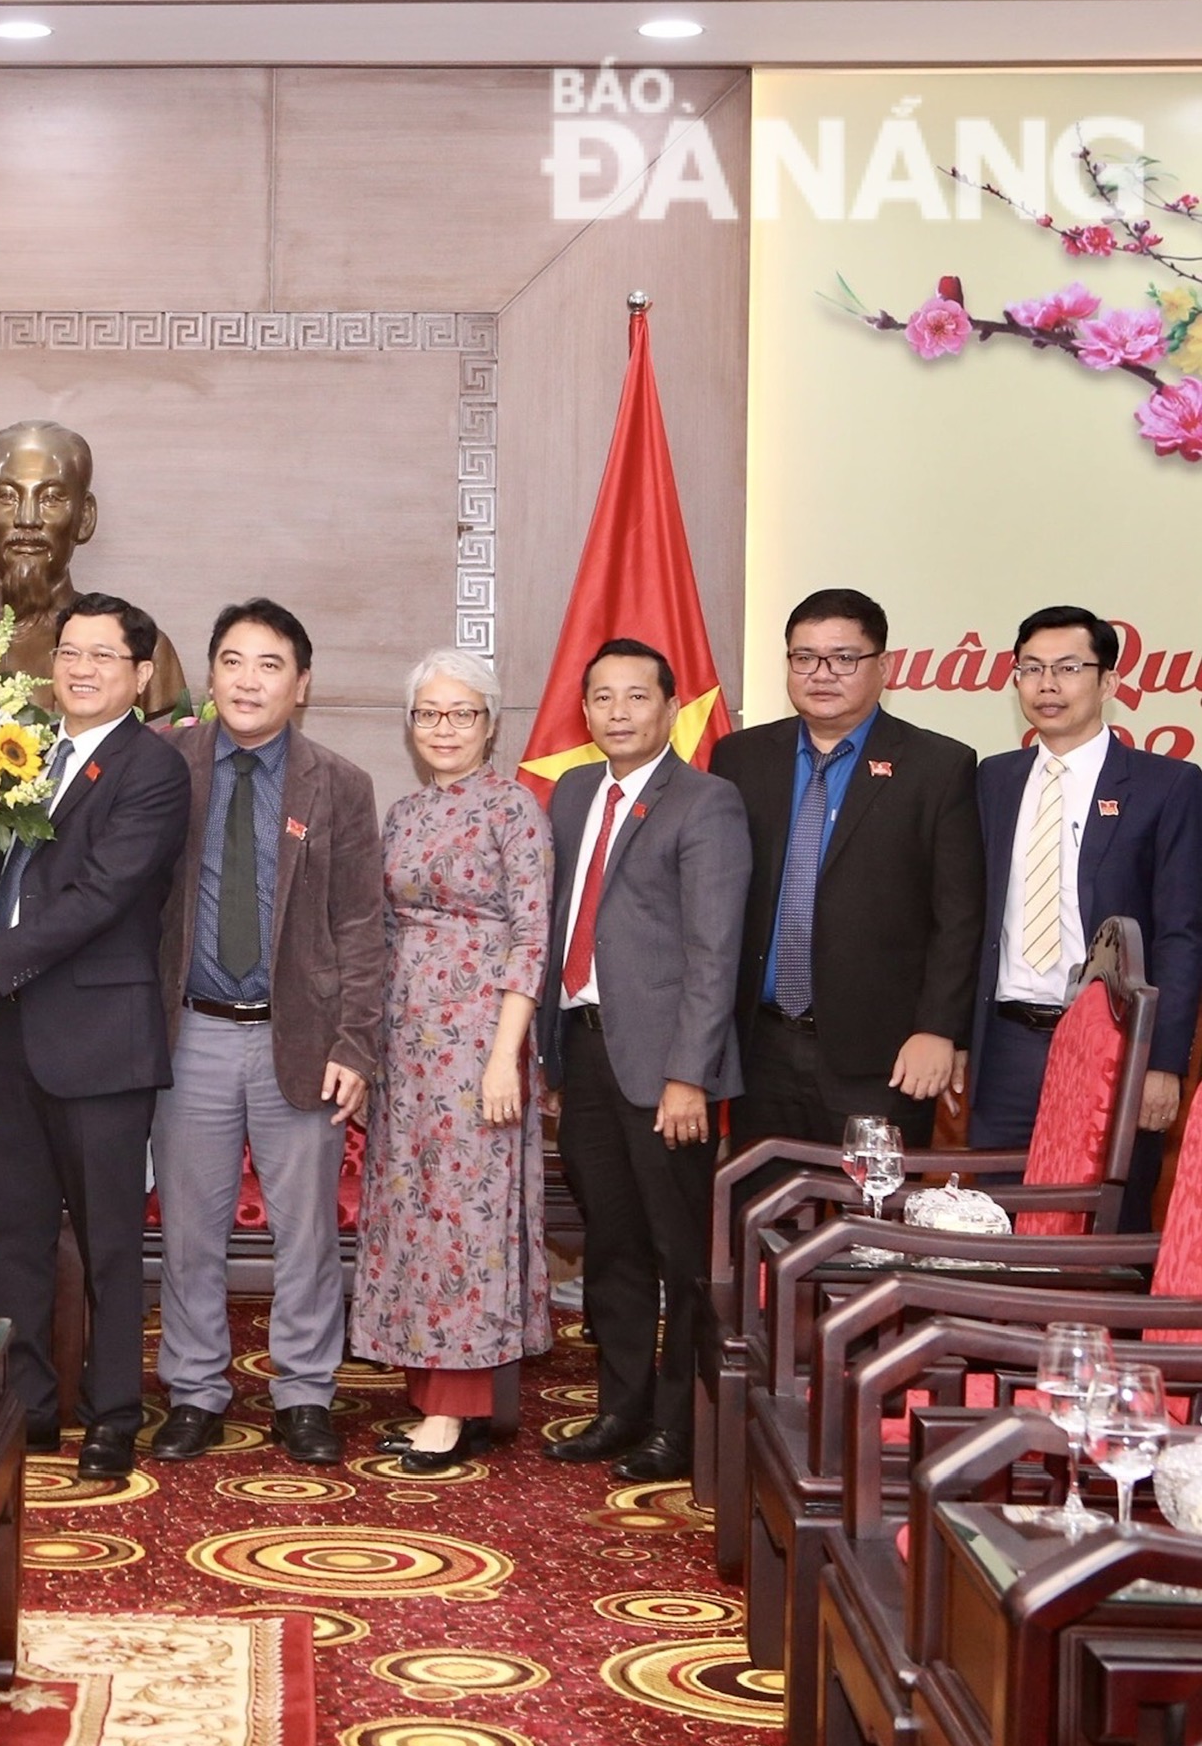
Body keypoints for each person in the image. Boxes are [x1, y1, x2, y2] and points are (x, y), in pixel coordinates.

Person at [0, 592, 192, 1483]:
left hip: (100, 1035)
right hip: (8, 1036)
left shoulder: (152, 770)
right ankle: (23, 1407)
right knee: (6, 1233)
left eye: (103, 657)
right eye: (69, 652)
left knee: (108, 1238)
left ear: (141, 676)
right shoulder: (22, 755)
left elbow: (101, 896)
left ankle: (111, 1412)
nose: (79, 668)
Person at [149, 599, 386, 1469]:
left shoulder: (340, 783)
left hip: (305, 1042)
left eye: (271, 664)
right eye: (234, 662)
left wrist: (357, 1045)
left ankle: (304, 1392)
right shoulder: (166, 767)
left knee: (308, 1236)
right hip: (190, 1037)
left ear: (303, 684)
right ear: (210, 677)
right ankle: (195, 1389)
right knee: (190, 1231)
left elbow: (363, 927)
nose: (249, 681)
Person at [535, 641, 750, 1484]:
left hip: (667, 1073)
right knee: (612, 1244)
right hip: (585, 1053)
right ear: (583, 711)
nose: (617, 712)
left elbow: (713, 952)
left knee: (680, 1253)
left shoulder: (707, 803)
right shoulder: (573, 792)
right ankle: (619, 1409)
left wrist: (689, 1075)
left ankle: (679, 1425)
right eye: (601, 697)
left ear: (669, 709)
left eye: (636, 697)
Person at [352, 649, 553, 1474]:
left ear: (490, 723)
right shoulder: (401, 815)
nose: (443, 728)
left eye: (461, 713)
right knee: (412, 1210)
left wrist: (506, 1055)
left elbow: (531, 936)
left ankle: (459, 1407)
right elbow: (383, 932)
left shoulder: (515, 811)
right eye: (429, 713)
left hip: (480, 1042)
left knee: (468, 1218)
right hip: (407, 1043)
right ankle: (428, 1388)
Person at [718, 588, 986, 1155]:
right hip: (759, 1045)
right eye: (804, 657)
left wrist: (939, 1029)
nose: (822, 674)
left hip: (882, 1056)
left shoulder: (938, 767)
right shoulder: (740, 758)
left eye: (844, 658)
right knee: (759, 1221)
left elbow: (959, 916)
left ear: (883, 666)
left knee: (873, 1231)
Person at [967, 605, 1202, 1226]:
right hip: (1008, 1045)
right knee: (992, 1226)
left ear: (1109, 684)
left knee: (1102, 1227)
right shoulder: (993, 779)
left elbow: (1180, 935)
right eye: (1032, 669)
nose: (1048, 685)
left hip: (1114, 1048)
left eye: (1069, 668)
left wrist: (1163, 1063)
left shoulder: (1167, 785)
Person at [0, 421, 189, 712]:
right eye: (7, 497)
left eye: (51, 498)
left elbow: (171, 751)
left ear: (85, 517)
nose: (27, 519)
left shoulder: (142, 650)